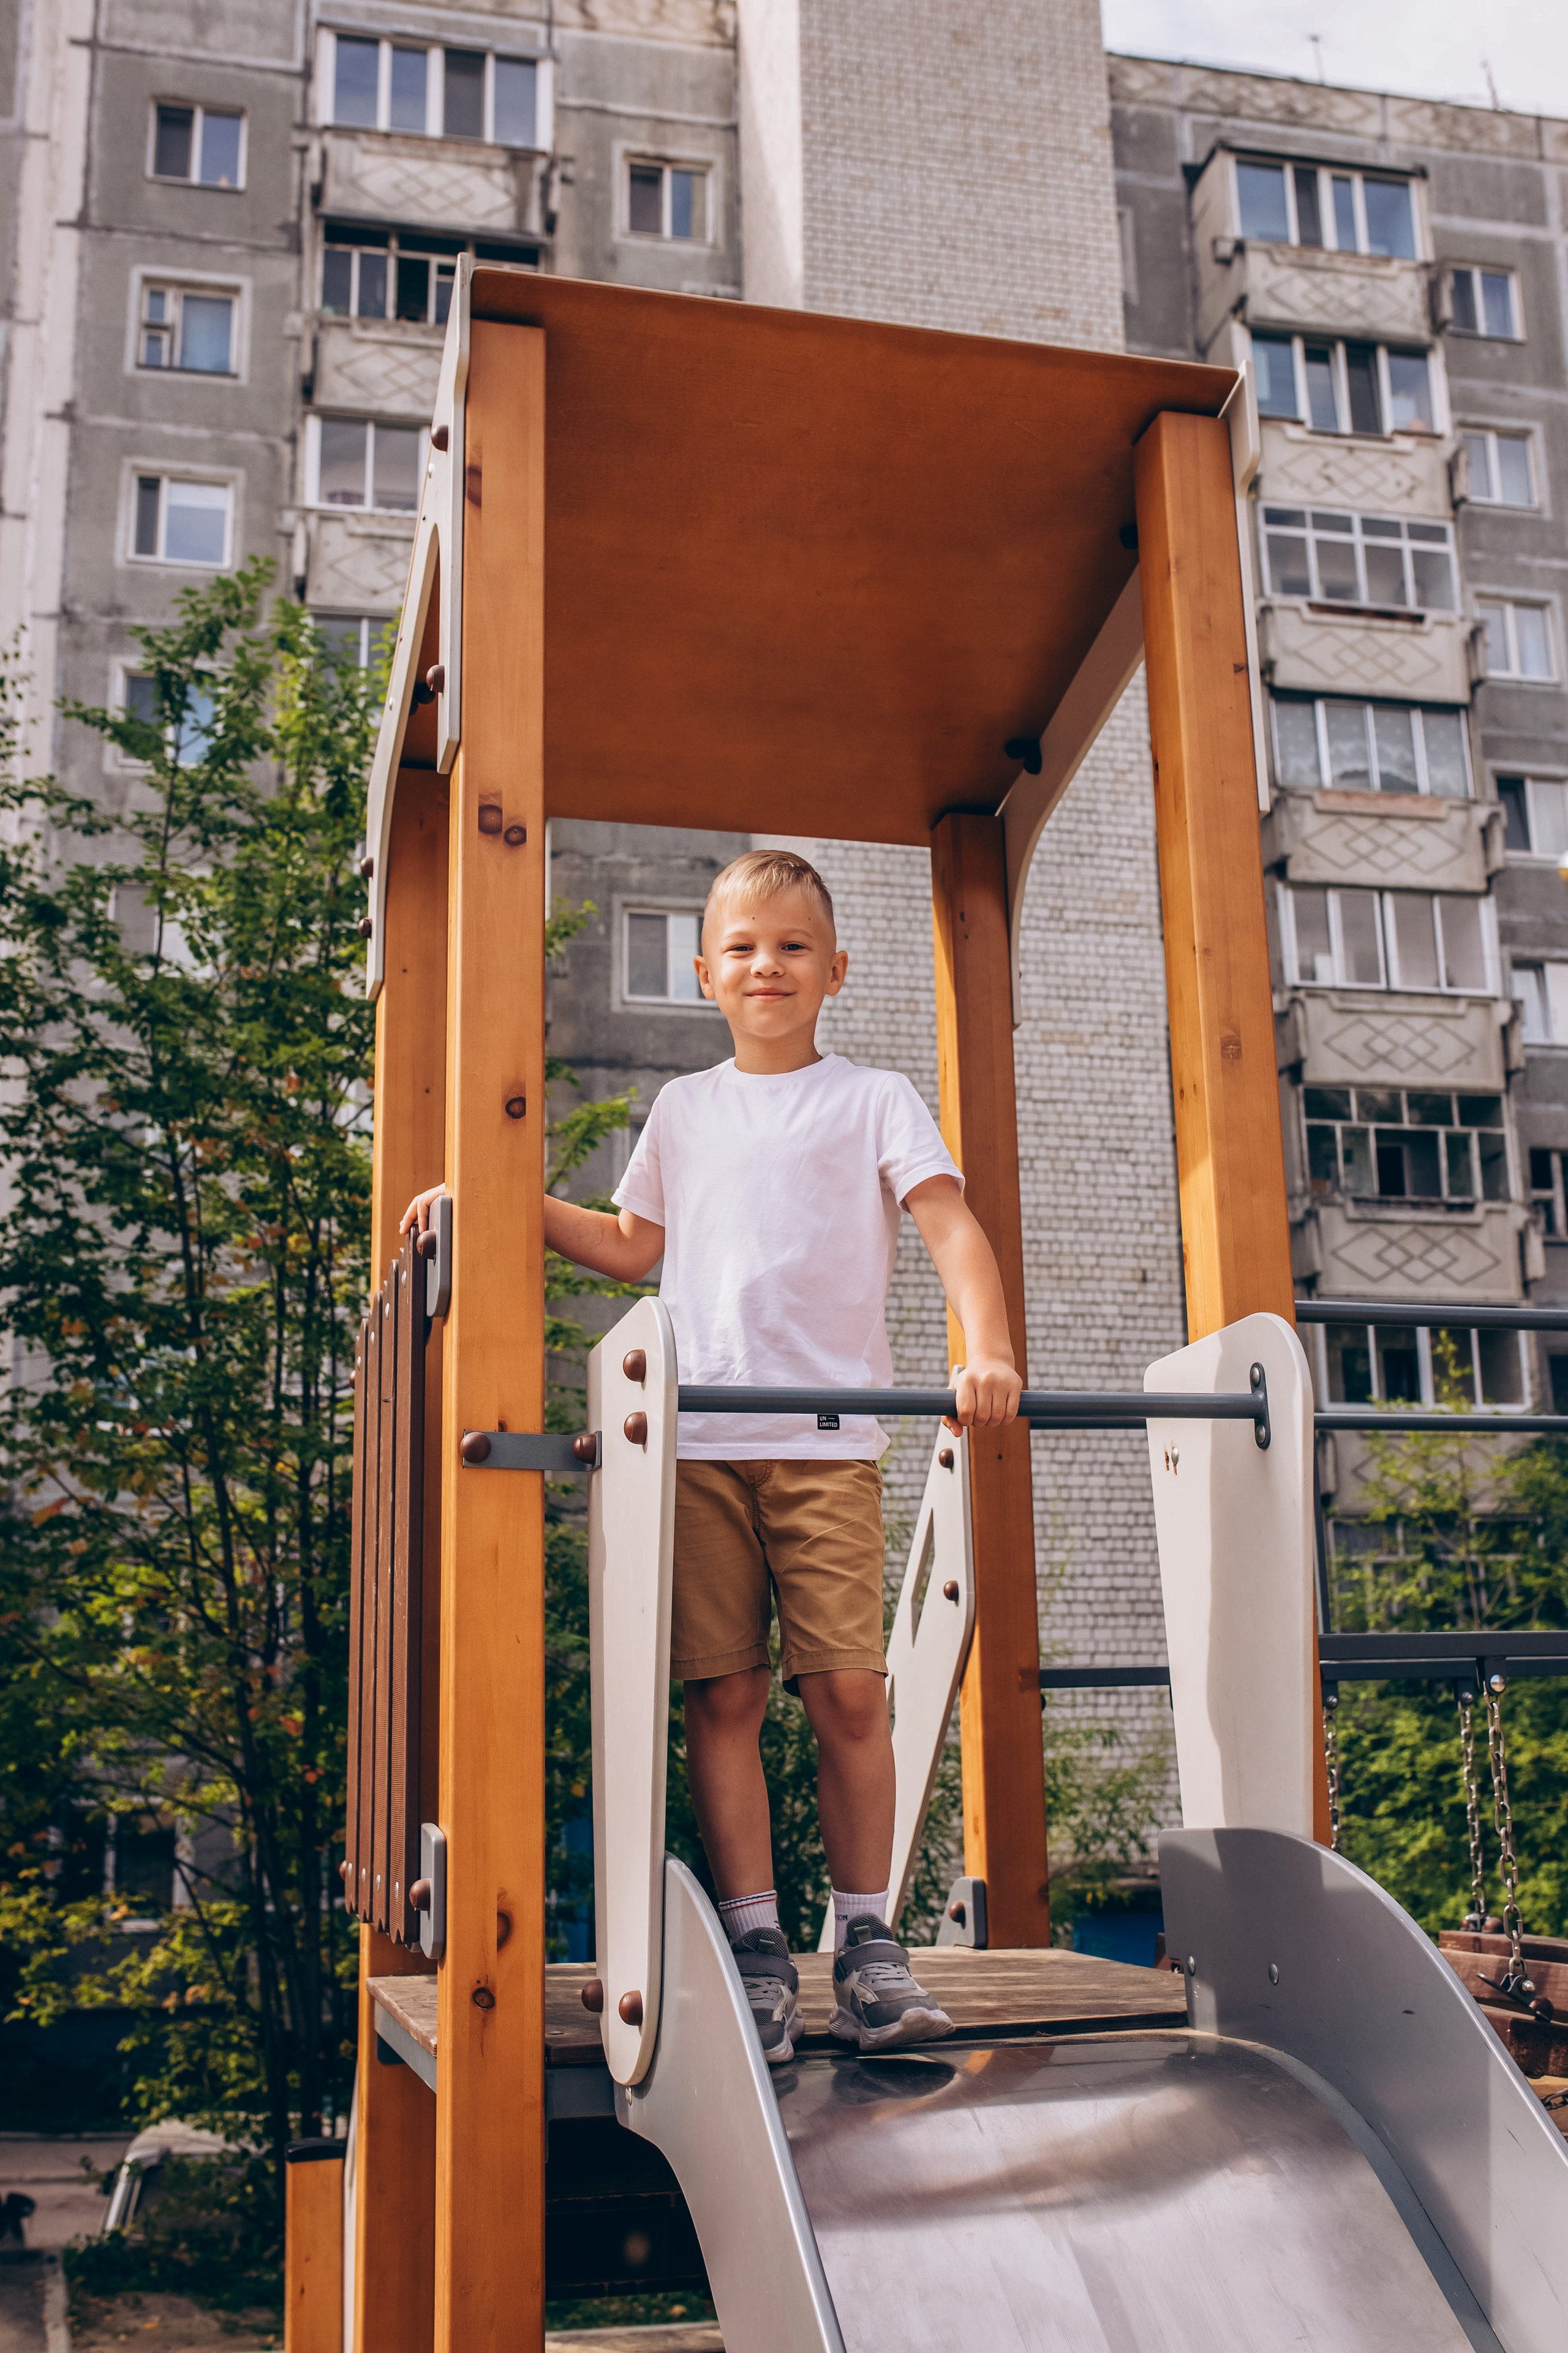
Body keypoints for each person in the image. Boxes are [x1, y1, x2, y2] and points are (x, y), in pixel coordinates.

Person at [402, 848, 1021, 2061]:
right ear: (704, 974)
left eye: (791, 946)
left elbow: (948, 1226)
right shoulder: (684, 1108)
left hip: (824, 1443)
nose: (766, 966)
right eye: (741, 948)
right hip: (694, 1447)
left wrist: (985, 1350)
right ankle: (754, 1945)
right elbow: (632, 1244)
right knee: (722, 1694)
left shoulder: (871, 1098)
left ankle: (867, 1945)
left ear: (833, 969)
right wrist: (495, 1198)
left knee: (848, 1691)